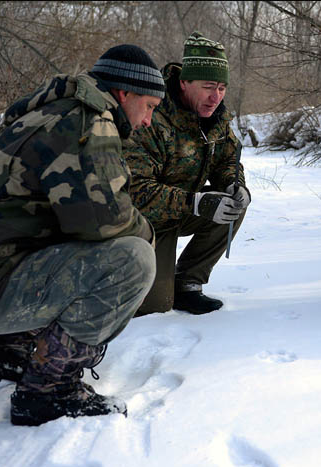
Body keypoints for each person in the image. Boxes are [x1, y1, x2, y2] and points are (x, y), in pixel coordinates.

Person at [0, 45, 166, 426]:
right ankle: (49, 390)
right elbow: (103, 221)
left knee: (73, 238)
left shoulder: (57, 112)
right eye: (150, 107)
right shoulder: (88, 121)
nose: (148, 122)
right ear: (124, 93)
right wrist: (148, 234)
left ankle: (6, 349)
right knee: (132, 260)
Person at [123, 31, 250, 316]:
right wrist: (196, 202)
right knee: (154, 307)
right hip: (142, 222)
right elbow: (135, 191)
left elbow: (228, 158)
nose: (215, 96)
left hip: (181, 209)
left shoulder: (216, 117)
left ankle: (189, 283)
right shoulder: (150, 115)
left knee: (233, 206)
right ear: (184, 83)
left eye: (221, 88)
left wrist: (234, 184)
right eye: (208, 87)